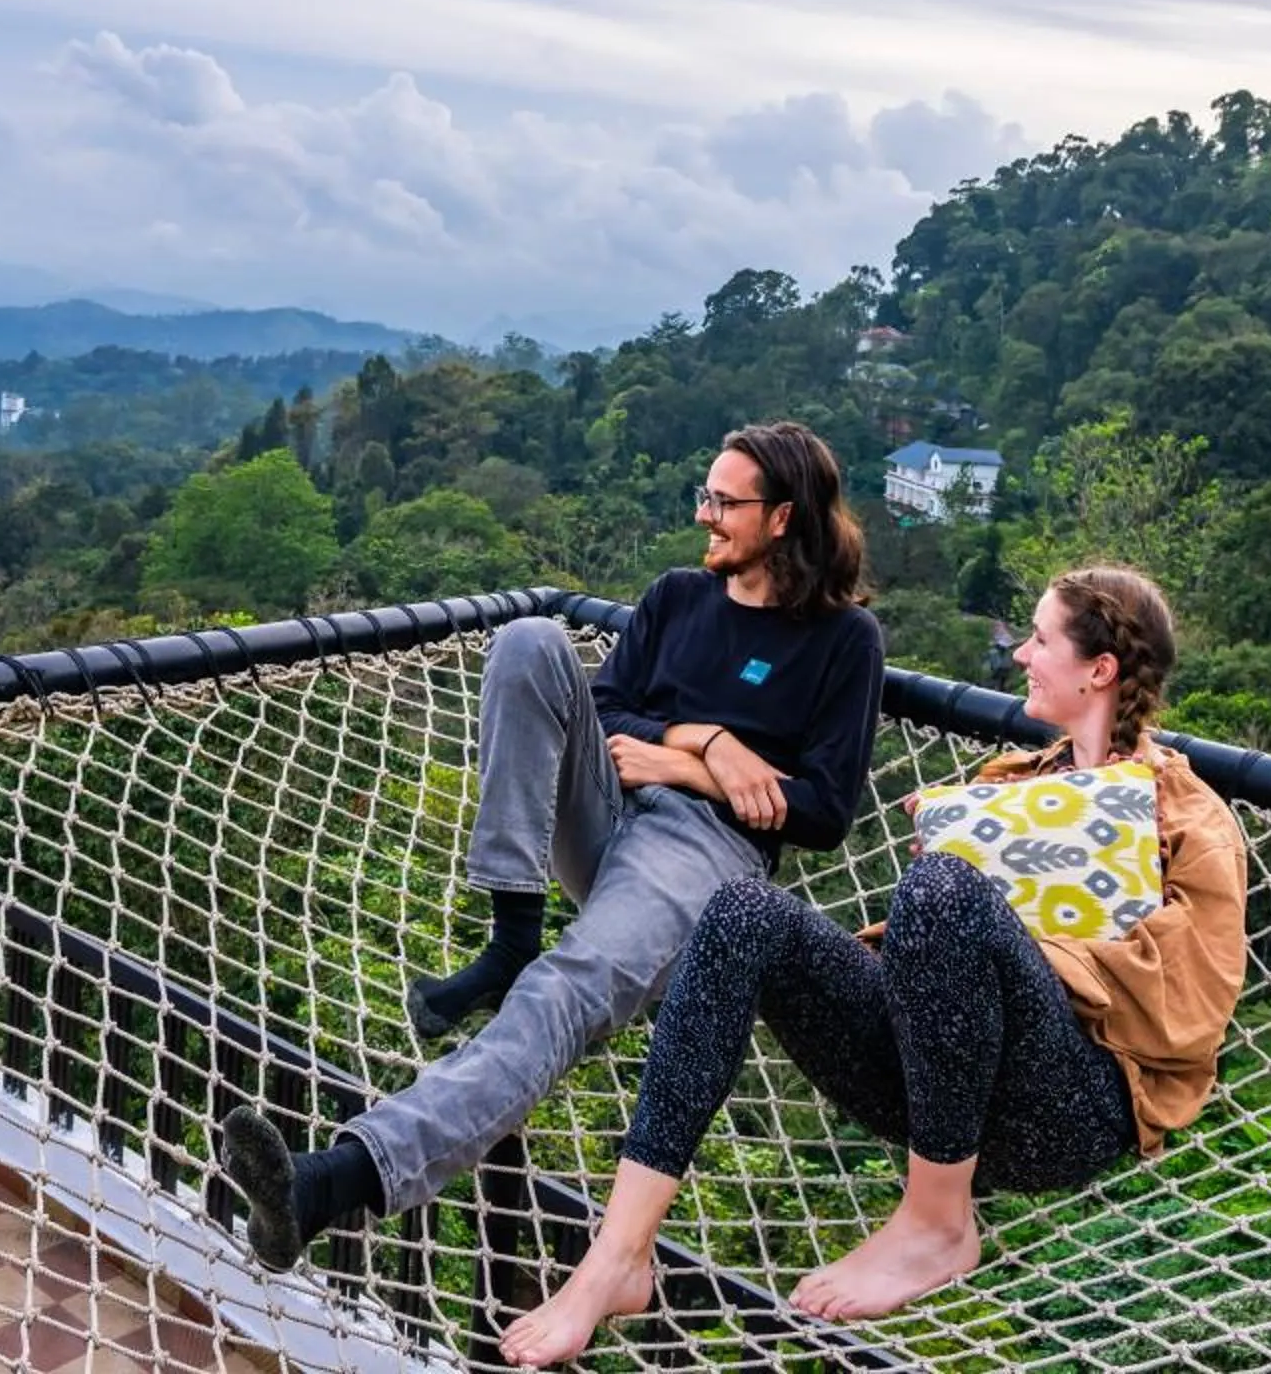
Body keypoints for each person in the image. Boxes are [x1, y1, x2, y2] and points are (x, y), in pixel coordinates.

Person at [498, 565, 1246, 1367]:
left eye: (1040, 638)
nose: (1022, 653)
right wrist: (943, 916)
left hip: (1062, 1108)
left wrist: (987, 929)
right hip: (938, 1089)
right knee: (742, 911)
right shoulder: (1008, 790)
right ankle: (620, 1257)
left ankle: (936, 1224)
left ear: (1099, 669)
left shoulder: (1189, 817)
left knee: (942, 890)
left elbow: (1190, 1018)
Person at [219, 421, 886, 1272]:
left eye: (725, 502)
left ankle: (332, 1181)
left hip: (702, 858)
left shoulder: (843, 641)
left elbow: (824, 811)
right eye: (705, 495)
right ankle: (512, 931)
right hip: (606, 805)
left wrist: (697, 771)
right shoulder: (679, 596)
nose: (706, 516)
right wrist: (708, 739)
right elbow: (606, 712)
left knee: (557, 999)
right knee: (530, 639)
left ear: (783, 517)